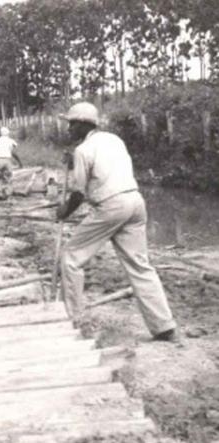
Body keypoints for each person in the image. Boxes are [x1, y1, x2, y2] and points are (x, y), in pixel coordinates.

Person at [57, 101, 179, 342]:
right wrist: (73, 163)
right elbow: (105, 166)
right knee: (140, 265)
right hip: (135, 202)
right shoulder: (113, 140)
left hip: (111, 206)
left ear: (83, 124)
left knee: (71, 257)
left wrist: (64, 212)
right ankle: (165, 327)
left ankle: (72, 320)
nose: (68, 129)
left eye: (71, 124)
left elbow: (79, 193)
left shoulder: (83, 150)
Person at [0, 127, 23, 199]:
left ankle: (0, 192)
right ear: (8, 133)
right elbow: (14, 153)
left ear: (0, 133)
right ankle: (7, 192)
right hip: (7, 160)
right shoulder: (10, 141)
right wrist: (19, 162)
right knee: (9, 176)